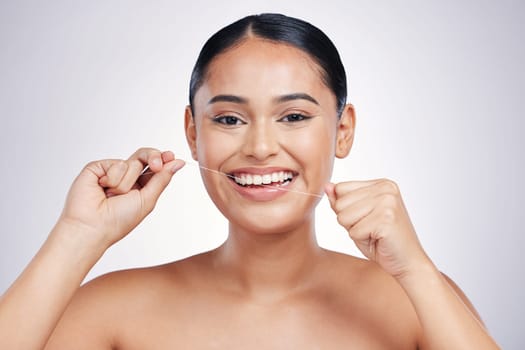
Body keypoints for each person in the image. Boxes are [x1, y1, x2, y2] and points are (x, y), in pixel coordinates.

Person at [0, 13, 499, 349]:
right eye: (230, 120)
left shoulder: (416, 301)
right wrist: (77, 238)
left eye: (294, 116)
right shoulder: (111, 312)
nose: (260, 147)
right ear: (193, 135)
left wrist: (416, 271)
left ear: (342, 131)